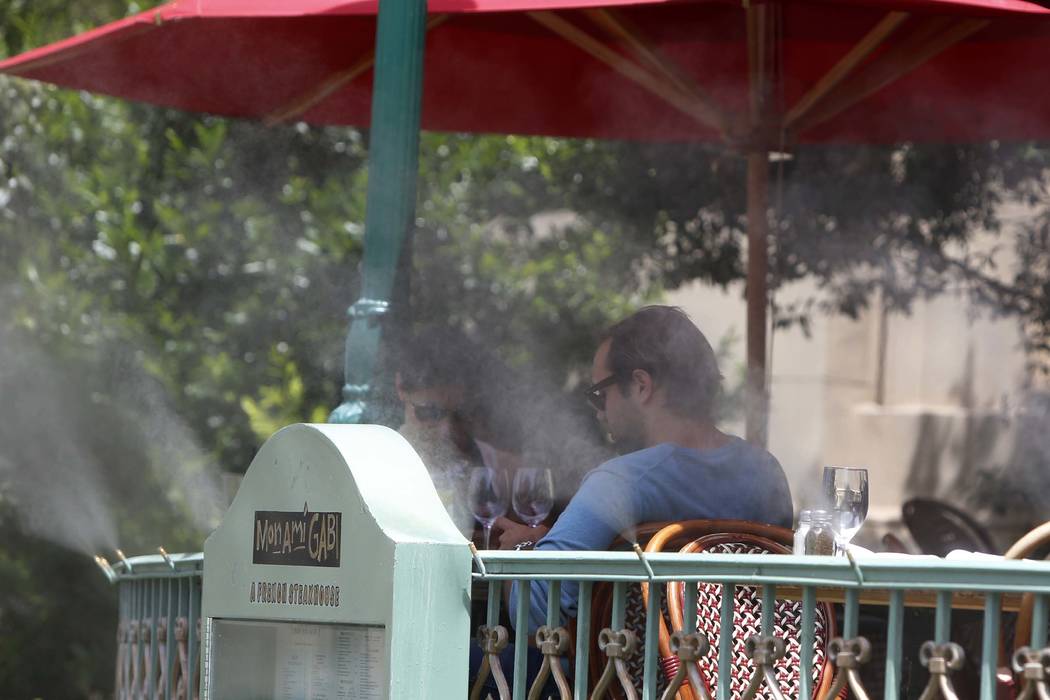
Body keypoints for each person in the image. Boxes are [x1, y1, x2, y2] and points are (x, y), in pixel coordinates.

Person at [494, 305, 793, 633]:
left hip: (619, 681)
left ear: (640, 386)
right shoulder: (766, 473)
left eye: (600, 394)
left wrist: (519, 549)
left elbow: (539, 617)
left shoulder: (621, 482)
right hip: (737, 676)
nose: (600, 412)